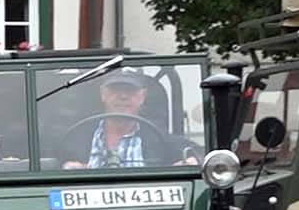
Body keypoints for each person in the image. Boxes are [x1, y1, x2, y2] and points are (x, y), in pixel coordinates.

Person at [64, 68, 200, 169]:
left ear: (142, 96)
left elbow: (201, 154)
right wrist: (64, 166)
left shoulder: (160, 140)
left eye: (130, 90)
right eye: (116, 89)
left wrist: (192, 161)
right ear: (103, 94)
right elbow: (53, 161)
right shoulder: (75, 139)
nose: (123, 96)